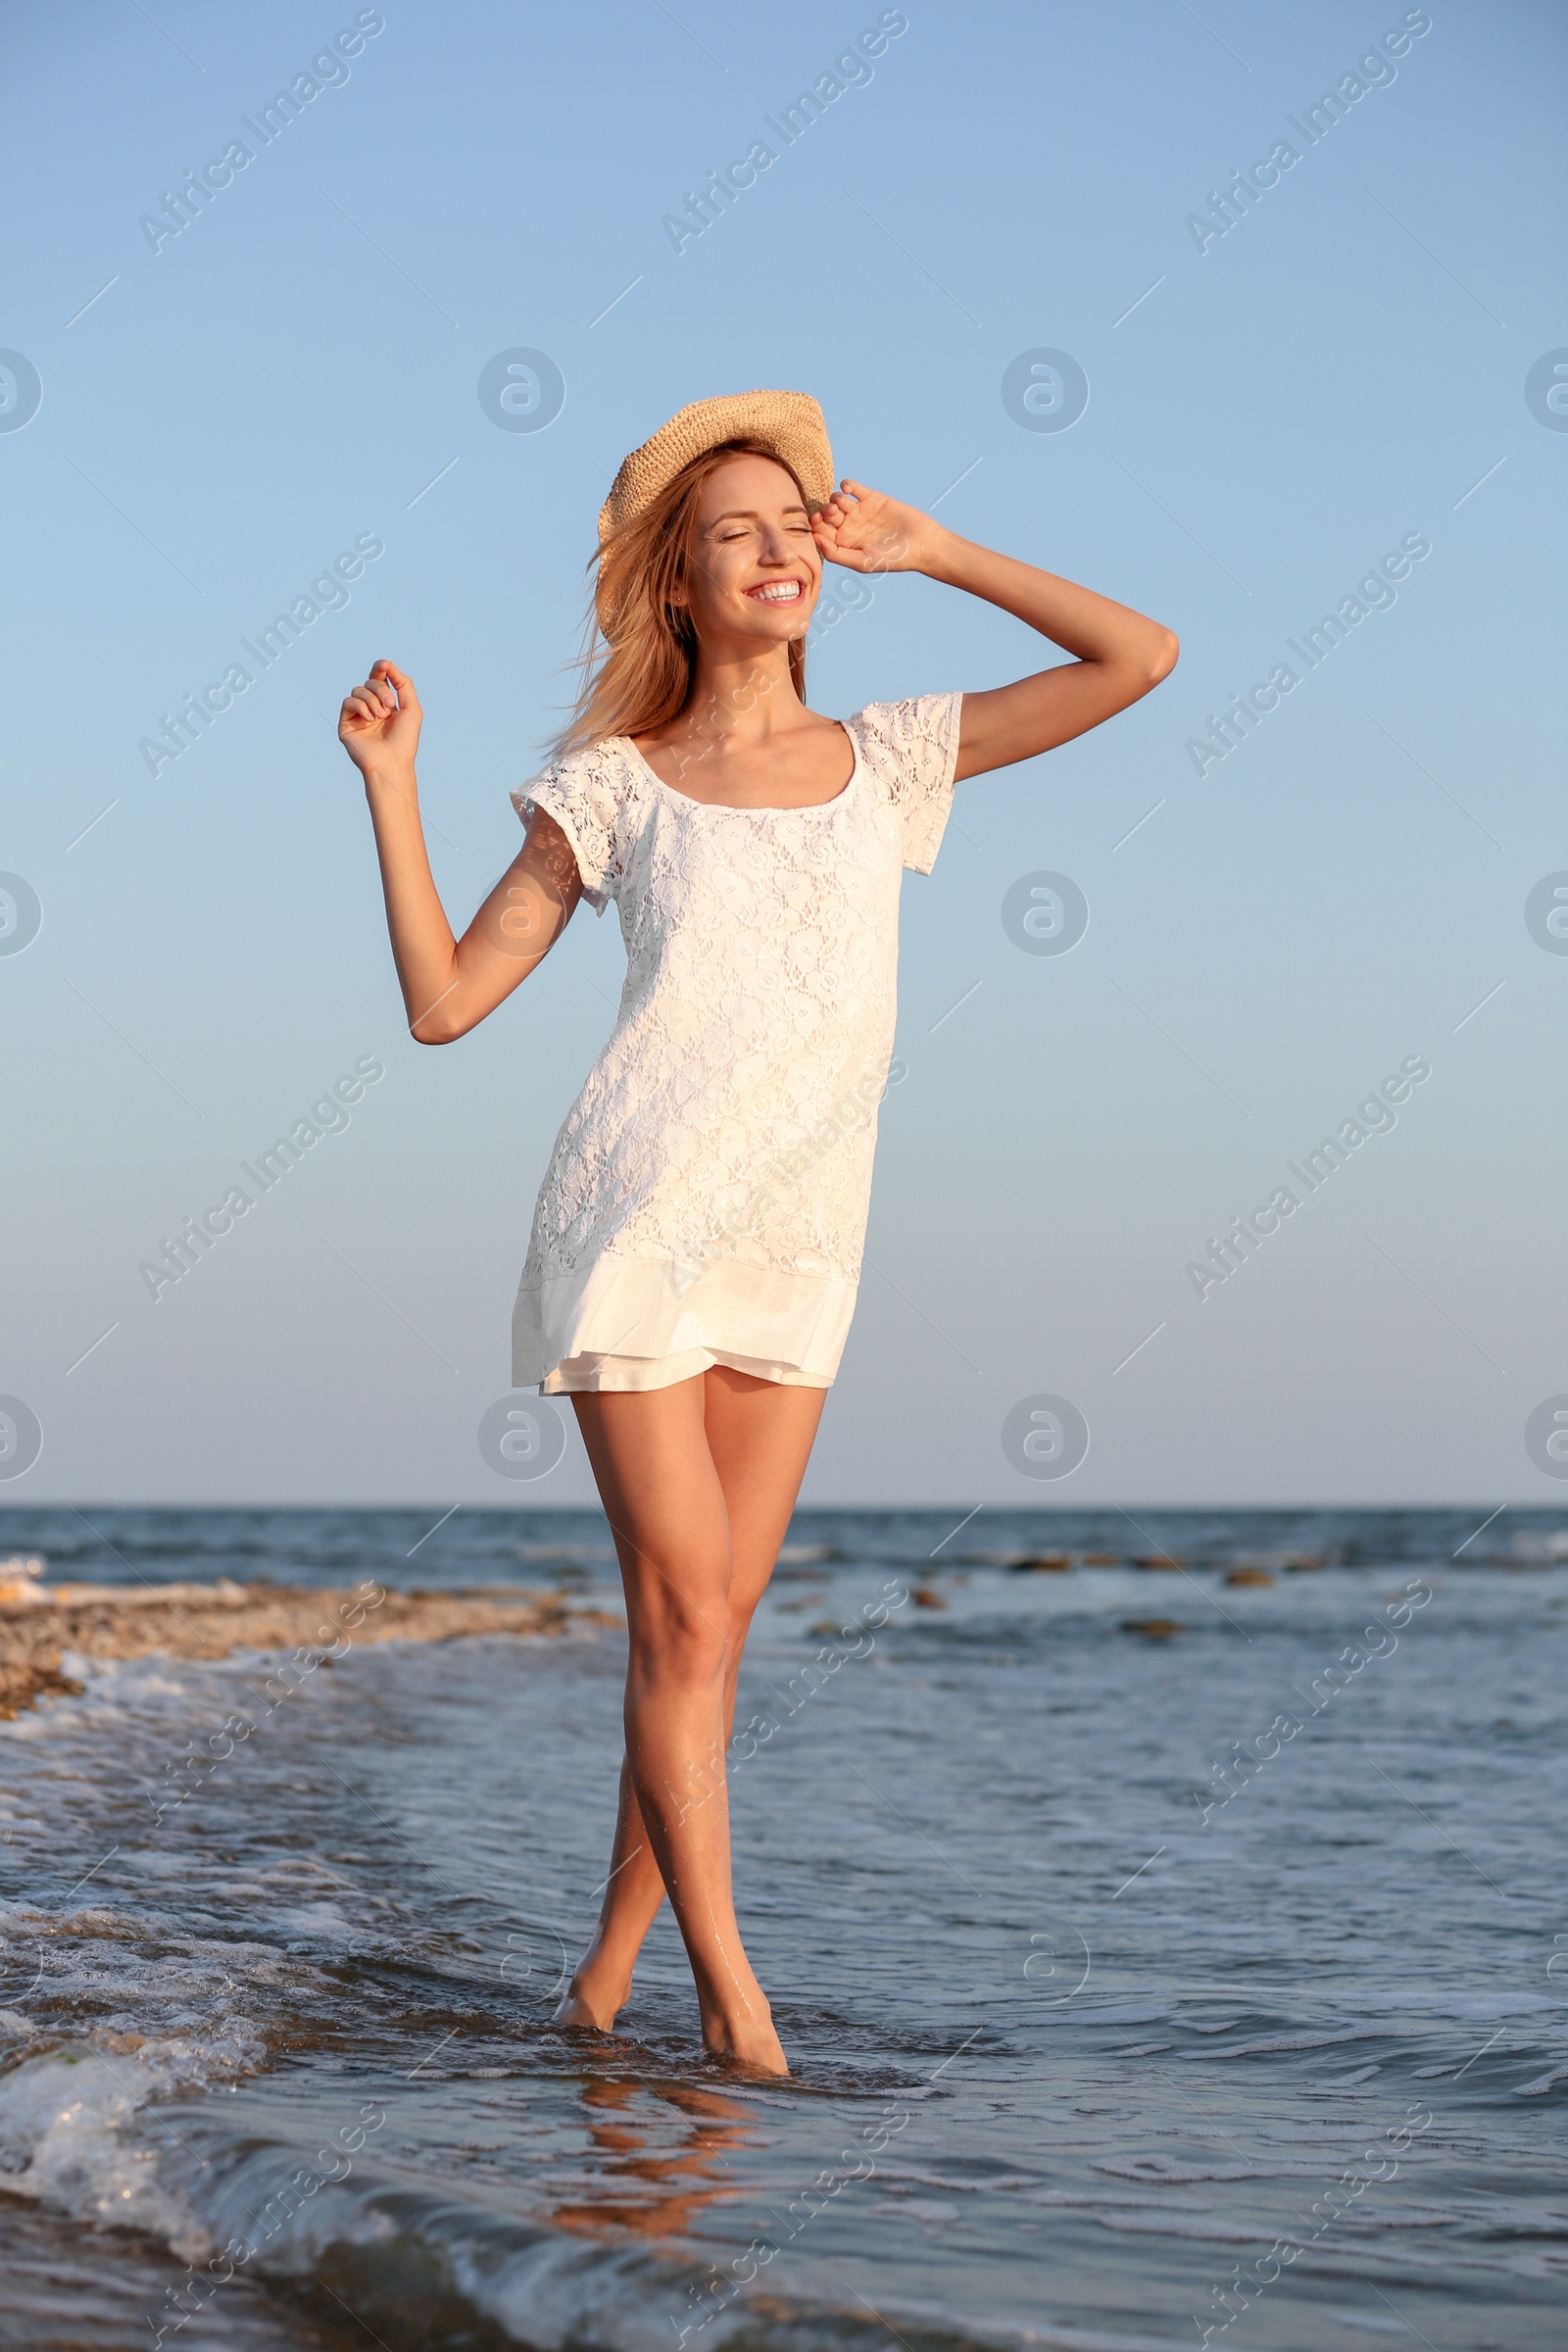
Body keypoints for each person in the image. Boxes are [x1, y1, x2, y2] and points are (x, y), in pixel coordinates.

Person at [338, 390, 1177, 2076]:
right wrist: (393, 782)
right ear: (678, 585)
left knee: (706, 1640)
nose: (783, 548)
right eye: (738, 530)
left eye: (797, 524)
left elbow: (1137, 657)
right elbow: (443, 1007)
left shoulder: (889, 758)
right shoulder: (614, 783)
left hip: (803, 1242)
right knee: (688, 1622)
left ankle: (600, 1982)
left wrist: (935, 547)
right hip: (636, 1221)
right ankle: (737, 2004)